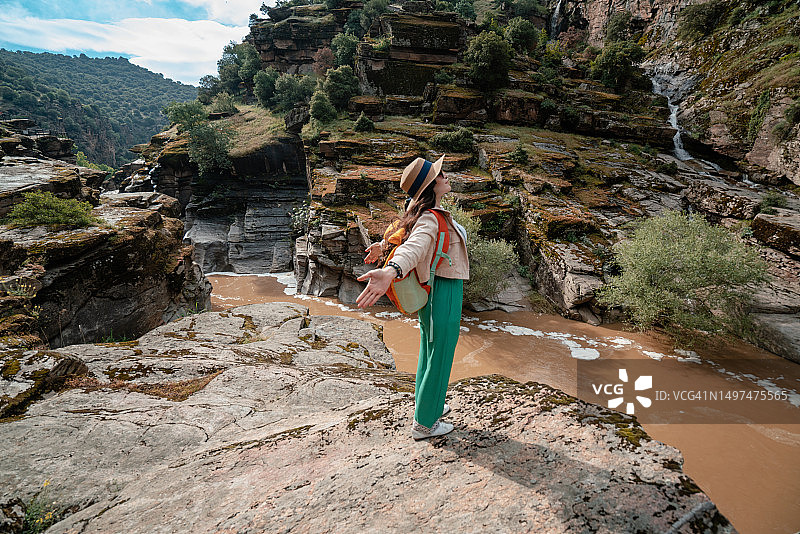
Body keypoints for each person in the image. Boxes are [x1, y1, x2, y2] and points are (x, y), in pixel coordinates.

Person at [356, 155, 470, 440]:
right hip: (442, 289)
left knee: (431, 349)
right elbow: (414, 247)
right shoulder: (430, 218)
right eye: (440, 174)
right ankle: (424, 424)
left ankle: (429, 405)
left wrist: (382, 245)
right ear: (431, 185)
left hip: (440, 288)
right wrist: (391, 270)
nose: (445, 176)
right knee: (440, 352)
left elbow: (401, 232)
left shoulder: (423, 212)